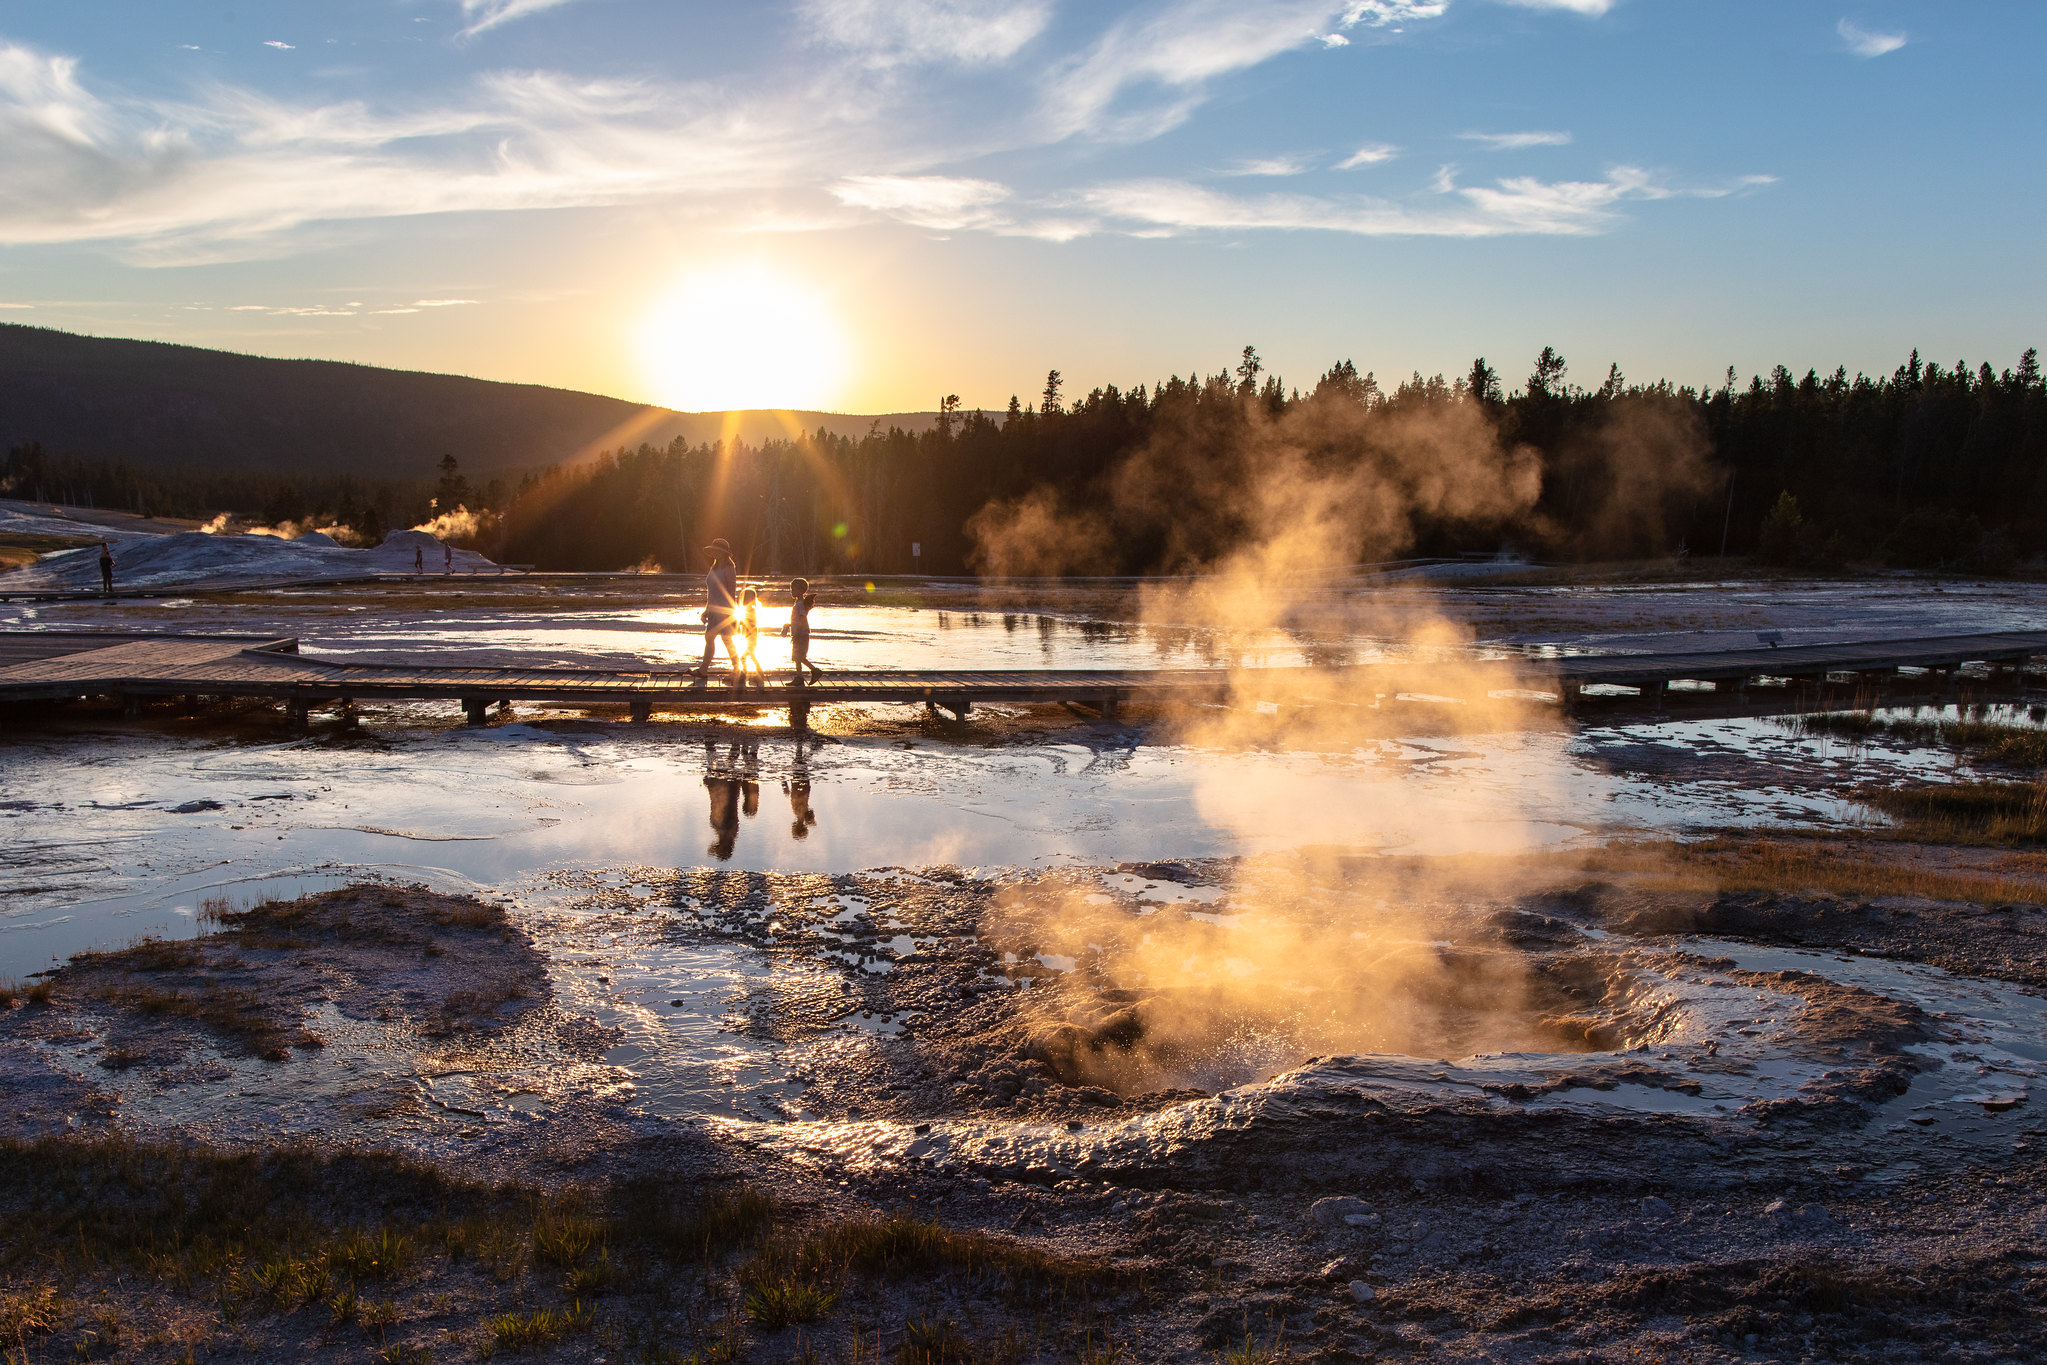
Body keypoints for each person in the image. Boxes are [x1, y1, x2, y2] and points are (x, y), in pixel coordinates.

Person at [691, 538, 742, 680]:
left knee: (721, 639)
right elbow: (711, 592)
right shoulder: (714, 568)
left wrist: (731, 613)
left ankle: (733, 670)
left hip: (725, 611)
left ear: (724, 553)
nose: (715, 553)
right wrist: (707, 609)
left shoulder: (729, 568)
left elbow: (731, 591)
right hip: (714, 610)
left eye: (718, 551)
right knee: (714, 638)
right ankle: (706, 669)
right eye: (714, 551)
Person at [781, 577, 824, 684]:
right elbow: (797, 620)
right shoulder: (799, 603)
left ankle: (813, 671)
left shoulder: (800, 604)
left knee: (799, 657)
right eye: (791, 589)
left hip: (801, 634)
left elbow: (801, 618)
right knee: (797, 657)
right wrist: (789, 625)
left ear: (800, 590)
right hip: (799, 633)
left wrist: (796, 633)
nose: (791, 591)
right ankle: (800, 677)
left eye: (793, 589)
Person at [736, 588, 767, 685]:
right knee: (751, 656)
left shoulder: (751, 611)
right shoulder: (748, 610)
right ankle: (758, 673)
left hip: (751, 637)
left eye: (745, 599)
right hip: (749, 637)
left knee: (744, 657)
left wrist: (740, 624)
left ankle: (745, 674)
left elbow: (748, 622)